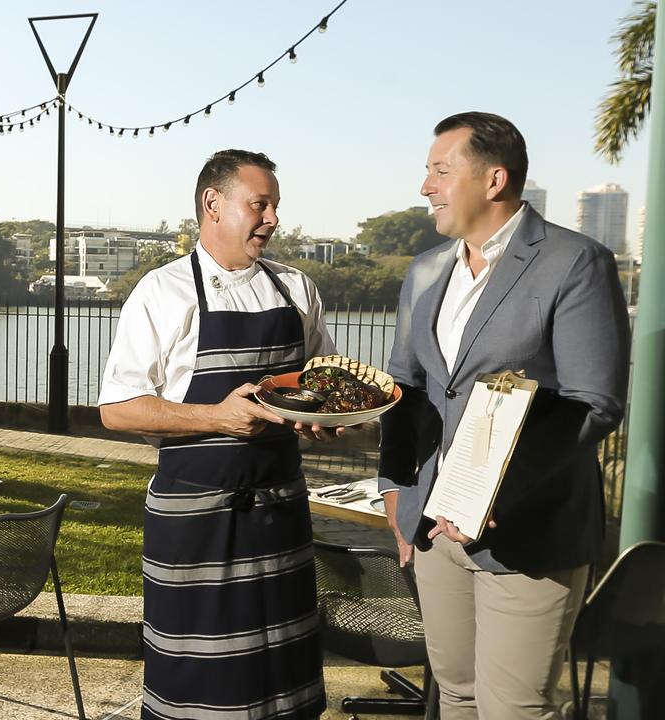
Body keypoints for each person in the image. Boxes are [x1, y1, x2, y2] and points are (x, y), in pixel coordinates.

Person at [379, 112, 631, 719]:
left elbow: (594, 402)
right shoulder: (426, 270)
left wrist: (496, 492)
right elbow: (404, 389)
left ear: (494, 180)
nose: (425, 187)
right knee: (457, 695)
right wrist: (394, 493)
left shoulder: (577, 262)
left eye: (440, 171)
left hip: (529, 532)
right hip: (433, 530)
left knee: (513, 707)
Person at [100, 149, 336, 720]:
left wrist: (323, 414)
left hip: (280, 511)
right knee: (200, 680)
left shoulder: (296, 290)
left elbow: (321, 383)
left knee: (284, 677)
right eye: (260, 204)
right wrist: (216, 418)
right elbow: (117, 410)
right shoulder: (162, 292)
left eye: (275, 205)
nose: (273, 218)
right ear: (213, 204)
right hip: (194, 519)